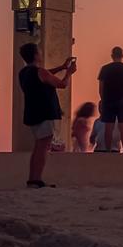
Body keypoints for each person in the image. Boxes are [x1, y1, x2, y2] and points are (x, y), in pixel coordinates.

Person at [18, 43, 76, 188]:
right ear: (36, 55)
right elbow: (62, 84)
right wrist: (68, 73)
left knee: (38, 146)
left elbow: (45, 74)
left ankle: (32, 179)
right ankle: (36, 179)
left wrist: (61, 67)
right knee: (43, 147)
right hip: (45, 112)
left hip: (32, 113)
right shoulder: (40, 72)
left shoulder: (24, 72)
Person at [97, 47, 123, 153]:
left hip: (108, 99)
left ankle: (108, 150)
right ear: (122, 55)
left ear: (112, 56)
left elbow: (101, 86)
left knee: (108, 125)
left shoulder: (105, 68)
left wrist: (103, 99)